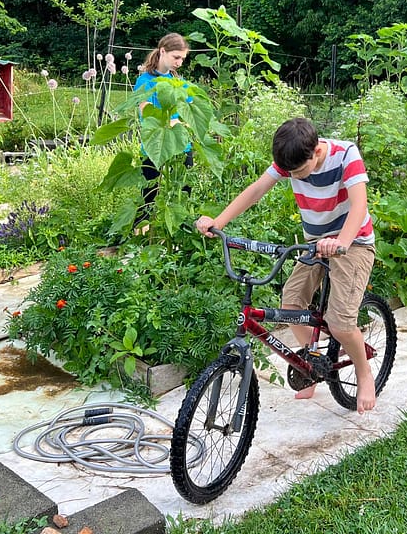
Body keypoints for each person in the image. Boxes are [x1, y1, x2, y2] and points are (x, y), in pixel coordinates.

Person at [195, 117, 378, 414]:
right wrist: (218, 222)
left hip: (352, 243)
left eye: (299, 172)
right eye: (290, 173)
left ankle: (364, 372)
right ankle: (312, 363)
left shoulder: (346, 155)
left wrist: (341, 242)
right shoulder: (293, 159)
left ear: (316, 151)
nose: (295, 177)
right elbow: (257, 190)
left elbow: (359, 206)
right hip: (314, 244)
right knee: (291, 305)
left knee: (341, 323)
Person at [133, 33, 193, 230]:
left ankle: (176, 239)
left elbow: (191, 114)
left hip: (181, 147)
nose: (179, 63)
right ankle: (144, 241)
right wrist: (173, 121)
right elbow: (147, 113)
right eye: (176, 57)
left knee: (182, 198)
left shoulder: (179, 83)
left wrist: (182, 121)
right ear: (163, 51)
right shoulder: (145, 81)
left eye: (183, 58)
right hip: (155, 147)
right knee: (149, 200)